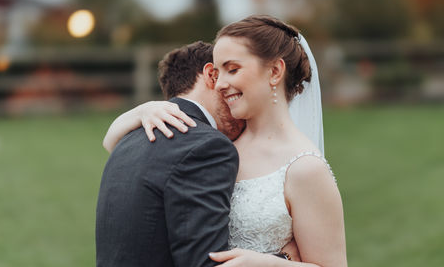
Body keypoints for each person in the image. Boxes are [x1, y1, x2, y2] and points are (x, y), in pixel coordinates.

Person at [104, 15, 348, 266]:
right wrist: (141, 111)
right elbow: (137, 159)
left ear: (275, 71)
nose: (220, 84)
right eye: (217, 73)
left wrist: (269, 264)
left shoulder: (306, 168)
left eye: (232, 70)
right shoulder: (213, 147)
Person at [96, 41, 245, 267]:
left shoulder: (127, 139)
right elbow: (206, 262)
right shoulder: (208, 146)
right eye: (228, 73)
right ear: (211, 75)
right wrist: (284, 259)